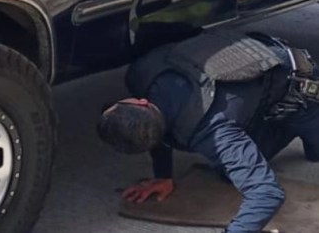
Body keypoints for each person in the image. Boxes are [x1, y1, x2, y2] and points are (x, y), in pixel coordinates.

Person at [98, 30, 319, 233]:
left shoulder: (213, 130)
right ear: (141, 103)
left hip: (299, 85)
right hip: (261, 87)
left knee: (314, 151)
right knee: (228, 173)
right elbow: (154, 126)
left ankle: (299, 124)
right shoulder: (143, 77)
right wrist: (163, 176)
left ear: (142, 102)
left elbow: (266, 193)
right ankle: (286, 124)